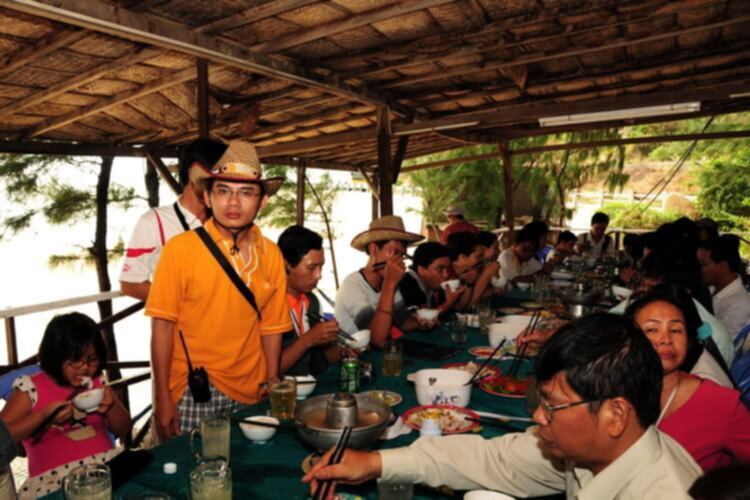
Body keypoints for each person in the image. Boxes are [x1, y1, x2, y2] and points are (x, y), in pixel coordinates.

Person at [303, 314, 701, 499]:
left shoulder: (668, 492)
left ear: (615, 415)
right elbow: (494, 459)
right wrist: (376, 464)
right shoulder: (590, 455)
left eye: (552, 406)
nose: (538, 416)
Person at [146, 140, 291, 440]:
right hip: (193, 388)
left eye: (246, 193)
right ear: (208, 198)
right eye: (223, 191)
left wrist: (271, 382)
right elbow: (162, 326)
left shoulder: (271, 254)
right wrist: (162, 399)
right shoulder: (180, 250)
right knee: (192, 474)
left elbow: (272, 328)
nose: (233, 203)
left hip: (253, 388)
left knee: (250, 471)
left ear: (262, 201)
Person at [0, 313, 131, 499]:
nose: (84, 368)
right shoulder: (31, 388)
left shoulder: (96, 383)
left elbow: (124, 427)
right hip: (54, 481)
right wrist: (43, 417)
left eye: (92, 360)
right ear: (54, 357)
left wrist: (112, 406)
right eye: (73, 361)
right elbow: (3, 436)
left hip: (107, 468)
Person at [625, 289, 750, 470]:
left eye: (676, 330)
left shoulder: (720, 404)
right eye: (652, 329)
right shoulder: (610, 389)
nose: (666, 339)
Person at [120, 139, 228, 301]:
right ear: (194, 175)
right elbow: (130, 285)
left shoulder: (225, 220)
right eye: (219, 179)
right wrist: (189, 303)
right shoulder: (154, 221)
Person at [335, 216, 423, 347]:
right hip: (353, 359)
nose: (399, 261)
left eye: (401, 255)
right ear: (373, 249)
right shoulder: (352, 285)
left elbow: (404, 322)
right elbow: (376, 338)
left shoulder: (388, 281)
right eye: (394, 253)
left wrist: (421, 323)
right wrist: (390, 284)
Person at [277, 226, 341, 376]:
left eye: (321, 267)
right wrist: (308, 339)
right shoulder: (270, 305)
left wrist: (341, 353)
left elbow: (317, 362)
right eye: (311, 268)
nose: (319, 275)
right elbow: (269, 371)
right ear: (287, 265)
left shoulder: (312, 301)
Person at [697, 235, 750, 341]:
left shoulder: (739, 305)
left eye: (703, 264)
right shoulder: (710, 289)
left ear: (722, 266)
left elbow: (723, 349)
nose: (699, 269)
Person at [398, 242, 465, 315]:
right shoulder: (406, 284)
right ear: (421, 270)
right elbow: (414, 321)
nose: (446, 275)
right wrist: (448, 303)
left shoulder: (433, 285)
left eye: (448, 268)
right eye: (440, 269)